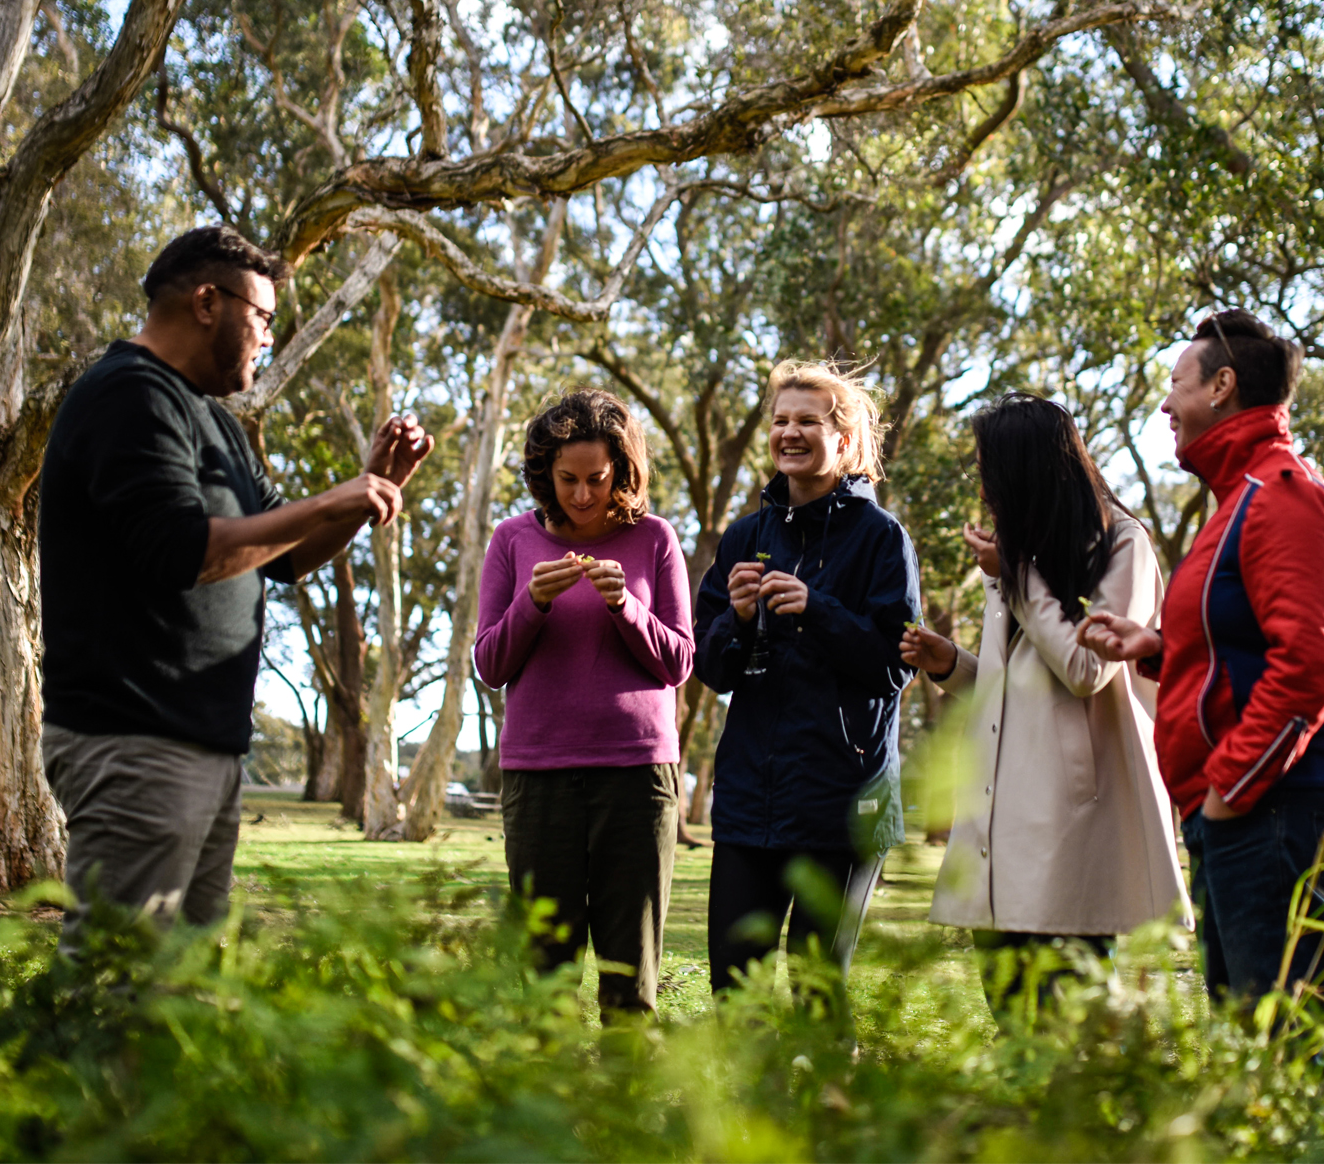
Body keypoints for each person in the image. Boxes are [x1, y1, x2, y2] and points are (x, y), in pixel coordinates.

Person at [38, 226, 433, 947]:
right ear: (206, 302)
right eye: (263, 317)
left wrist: (371, 489)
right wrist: (333, 498)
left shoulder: (214, 421)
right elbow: (180, 552)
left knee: (181, 995)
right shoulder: (130, 395)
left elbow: (281, 557)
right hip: (132, 738)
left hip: (204, 744)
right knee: (115, 983)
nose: (266, 339)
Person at [1077, 311, 1324, 1024]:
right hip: (1240, 805)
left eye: (1176, 384)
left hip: (1271, 800)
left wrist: (1230, 789)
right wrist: (1157, 646)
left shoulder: (1282, 496)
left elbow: (1310, 668)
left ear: (1223, 386)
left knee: (1296, 1041)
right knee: (1255, 1033)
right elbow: (1248, 642)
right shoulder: (1236, 500)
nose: (1165, 404)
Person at [900, 394, 1189, 1020]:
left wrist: (1017, 575)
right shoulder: (1019, 553)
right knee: (1012, 1022)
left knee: (1072, 1028)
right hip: (1000, 823)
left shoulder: (1123, 544)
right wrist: (949, 662)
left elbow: (1086, 670)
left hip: (1071, 824)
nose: (982, 484)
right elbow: (1019, 693)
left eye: (988, 467)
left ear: (1024, 467)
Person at [694, 360, 921, 998]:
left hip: (844, 804)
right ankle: (742, 1103)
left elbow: (893, 666)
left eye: (808, 422)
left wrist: (816, 608)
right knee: (735, 988)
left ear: (844, 442)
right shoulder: (745, 537)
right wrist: (737, 619)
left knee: (818, 989)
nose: (789, 433)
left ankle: (828, 1100)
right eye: (780, 420)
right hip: (748, 804)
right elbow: (710, 669)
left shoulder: (882, 539)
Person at [473, 390, 694, 1017]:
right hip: (539, 779)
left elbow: (679, 662)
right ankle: (548, 1106)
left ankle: (625, 1108)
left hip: (638, 778)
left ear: (622, 471)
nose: (581, 494)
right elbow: (490, 663)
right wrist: (532, 605)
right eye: (566, 479)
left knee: (630, 981)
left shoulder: (655, 539)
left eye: (596, 478)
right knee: (545, 978)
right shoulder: (512, 540)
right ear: (545, 472)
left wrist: (627, 608)